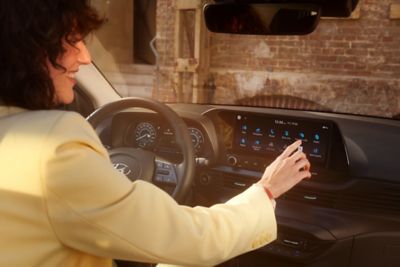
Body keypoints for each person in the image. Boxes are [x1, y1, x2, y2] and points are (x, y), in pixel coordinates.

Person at [0, 1, 311, 266]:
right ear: (30, 49)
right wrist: (266, 190)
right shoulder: (53, 145)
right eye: (72, 41)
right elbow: (191, 239)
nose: (84, 57)